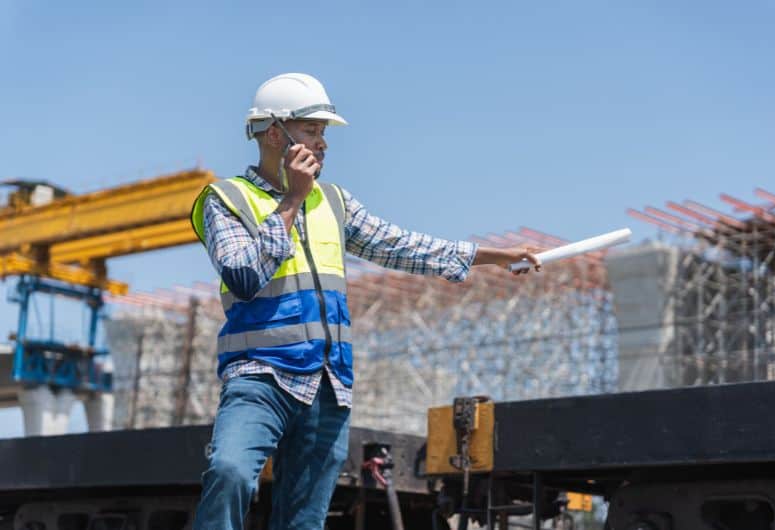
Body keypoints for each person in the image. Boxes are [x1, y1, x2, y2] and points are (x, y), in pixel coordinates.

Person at [189, 72, 541, 529]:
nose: (323, 144)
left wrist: (489, 257)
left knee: (305, 519)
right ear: (275, 133)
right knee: (230, 471)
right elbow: (243, 275)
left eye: (324, 133)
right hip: (260, 377)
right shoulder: (226, 199)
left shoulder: (333, 202)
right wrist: (292, 199)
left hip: (328, 382)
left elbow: (400, 245)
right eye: (313, 130)